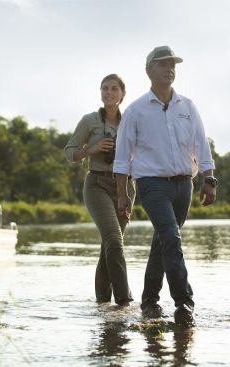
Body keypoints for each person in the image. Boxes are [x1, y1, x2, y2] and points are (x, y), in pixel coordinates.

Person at [113, 46, 218, 326]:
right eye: (163, 64)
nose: (169, 68)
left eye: (173, 64)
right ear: (149, 70)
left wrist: (209, 179)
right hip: (151, 185)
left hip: (185, 184)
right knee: (171, 238)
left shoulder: (188, 106)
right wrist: (122, 195)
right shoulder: (135, 111)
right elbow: (122, 158)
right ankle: (184, 304)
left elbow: (202, 145)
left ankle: (149, 301)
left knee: (163, 242)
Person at [64, 74, 136, 306]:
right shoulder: (90, 120)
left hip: (125, 187)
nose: (109, 92)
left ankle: (103, 305)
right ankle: (125, 302)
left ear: (122, 94)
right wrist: (91, 149)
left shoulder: (131, 121)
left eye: (114, 89)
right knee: (115, 241)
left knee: (109, 245)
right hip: (96, 184)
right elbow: (69, 152)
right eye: (105, 88)